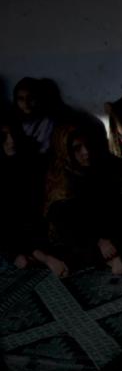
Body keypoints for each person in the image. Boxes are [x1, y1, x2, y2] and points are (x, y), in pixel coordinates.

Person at [44, 123, 122, 275]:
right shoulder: (62, 186)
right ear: (66, 152)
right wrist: (99, 242)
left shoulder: (93, 170)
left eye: (87, 145)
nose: (86, 152)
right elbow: (71, 231)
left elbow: (106, 212)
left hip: (100, 238)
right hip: (72, 243)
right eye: (77, 148)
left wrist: (106, 240)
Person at [0, 114, 67, 275]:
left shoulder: (29, 163)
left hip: (29, 232)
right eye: (3, 137)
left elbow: (30, 212)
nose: (11, 141)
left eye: (13, 134)